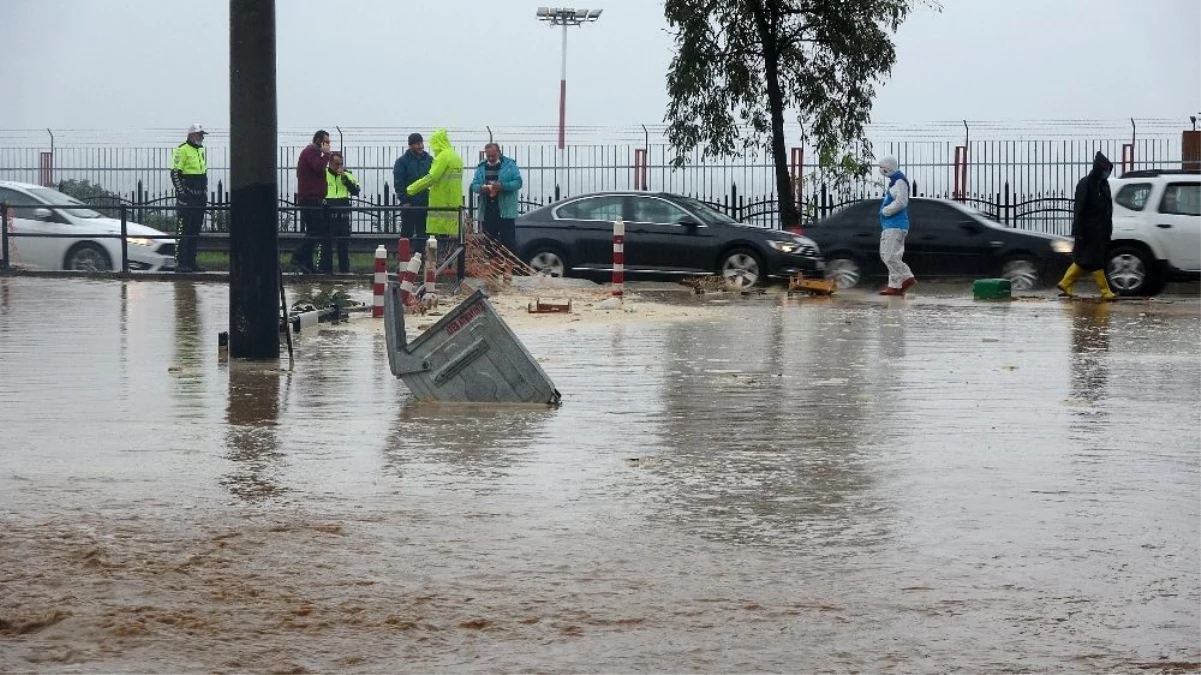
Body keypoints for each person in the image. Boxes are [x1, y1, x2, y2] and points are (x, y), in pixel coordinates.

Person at [1057, 151, 1116, 301]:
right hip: (1088, 231)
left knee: (1084, 261)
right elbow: (1079, 209)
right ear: (1098, 168)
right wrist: (1078, 231)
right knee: (1095, 261)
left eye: (1109, 171)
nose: (1107, 173)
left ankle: (1065, 283)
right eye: (1105, 170)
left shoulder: (1104, 185)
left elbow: (1107, 209)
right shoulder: (1086, 184)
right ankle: (1105, 291)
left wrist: (1108, 229)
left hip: (1100, 230)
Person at [405, 129, 464, 244]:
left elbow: (432, 178)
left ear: (437, 143)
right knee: (452, 240)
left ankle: (440, 260)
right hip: (454, 202)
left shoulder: (442, 157)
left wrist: (411, 189)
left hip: (441, 201)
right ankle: (452, 261)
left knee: (438, 240)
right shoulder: (455, 156)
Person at [292, 130, 333, 274]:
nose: (328, 145)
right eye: (326, 142)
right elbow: (317, 167)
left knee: (313, 230)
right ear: (318, 141)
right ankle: (298, 256)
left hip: (313, 197)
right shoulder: (311, 151)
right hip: (309, 198)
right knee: (316, 231)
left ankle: (307, 263)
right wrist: (327, 155)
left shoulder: (314, 153)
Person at [470, 143, 523, 252]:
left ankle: (509, 266)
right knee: (489, 243)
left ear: (499, 152)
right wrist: (482, 188)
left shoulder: (510, 165)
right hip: (488, 209)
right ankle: (491, 266)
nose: (490, 158)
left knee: (508, 242)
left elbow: (518, 183)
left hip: (505, 211)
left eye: (493, 155)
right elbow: (474, 186)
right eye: (488, 156)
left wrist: (502, 186)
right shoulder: (481, 167)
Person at [171, 123, 208, 273]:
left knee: (194, 230)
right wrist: (182, 194)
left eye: (202, 135)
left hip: (199, 198)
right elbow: (175, 174)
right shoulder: (181, 150)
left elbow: (202, 173)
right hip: (187, 198)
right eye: (200, 135)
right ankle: (180, 263)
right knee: (184, 230)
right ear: (192, 136)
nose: (202, 137)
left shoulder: (201, 151)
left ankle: (191, 262)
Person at [877, 156, 916, 296]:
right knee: (886, 255)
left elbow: (901, 202)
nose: (881, 170)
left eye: (883, 167)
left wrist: (885, 211)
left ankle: (907, 277)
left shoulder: (899, 181)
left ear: (889, 167)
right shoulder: (894, 182)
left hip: (896, 224)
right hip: (889, 225)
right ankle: (895, 285)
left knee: (890, 256)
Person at [393, 132, 433, 248]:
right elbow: (399, 183)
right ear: (410, 145)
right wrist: (405, 201)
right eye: (417, 144)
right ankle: (403, 263)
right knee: (406, 235)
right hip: (409, 204)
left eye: (421, 143)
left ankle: (420, 261)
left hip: (425, 203)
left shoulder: (429, 160)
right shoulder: (402, 162)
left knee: (423, 235)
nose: (420, 146)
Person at [325, 153, 360, 274]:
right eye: (336, 164)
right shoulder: (324, 175)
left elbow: (356, 191)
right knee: (326, 244)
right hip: (328, 212)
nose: (339, 166)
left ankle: (344, 271)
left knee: (343, 245)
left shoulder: (348, 174)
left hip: (343, 213)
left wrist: (345, 178)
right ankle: (326, 271)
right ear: (330, 163)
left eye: (341, 164)